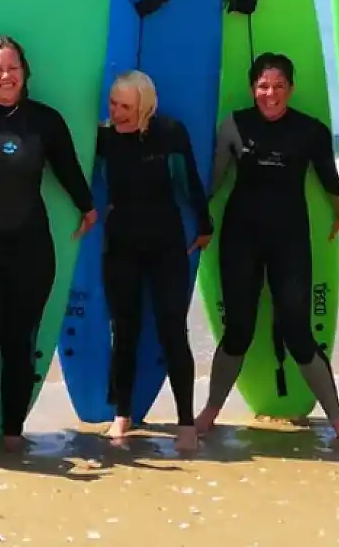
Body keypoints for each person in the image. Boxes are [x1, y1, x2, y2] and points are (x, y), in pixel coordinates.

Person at [194, 52, 339, 448]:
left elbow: (331, 185)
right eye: (263, 86)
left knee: (298, 334)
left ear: (291, 88)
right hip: (240, 239)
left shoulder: (312, 131)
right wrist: (193, 220)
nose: (270, 94)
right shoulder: (235, 125)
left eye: (278, 86)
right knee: (238, 330)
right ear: (253, 88)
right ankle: (210, 411)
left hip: (289, 241)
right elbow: (213, 183)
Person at [0, 34, 97, 460]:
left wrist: (87, 207)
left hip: (30, 250)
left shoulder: (44, 121)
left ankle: (13, 431)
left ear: (24, 72)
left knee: (19, 343)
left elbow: (67, 166)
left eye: (12, 68)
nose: (5, 76)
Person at [94, 70, 211, 450]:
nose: (117, 112)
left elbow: (189, 180)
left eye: (125, 106)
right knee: (124, 331)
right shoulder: (105, 137)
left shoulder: (169, 132)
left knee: (172, 331)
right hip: (121, 243)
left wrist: (205, 225)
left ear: (144, 105)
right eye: (113, 103)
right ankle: (122, 414)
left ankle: (186, 423)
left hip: (166, 243)